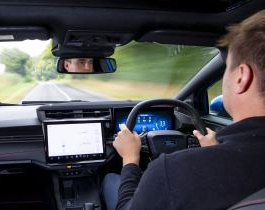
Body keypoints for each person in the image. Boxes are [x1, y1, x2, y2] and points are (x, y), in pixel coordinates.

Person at [102, 10, 265, 210]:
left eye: (226, 69)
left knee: (109, 179)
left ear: (241, 77)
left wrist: (130, 158)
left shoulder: (170, 172)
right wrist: (216, 152)